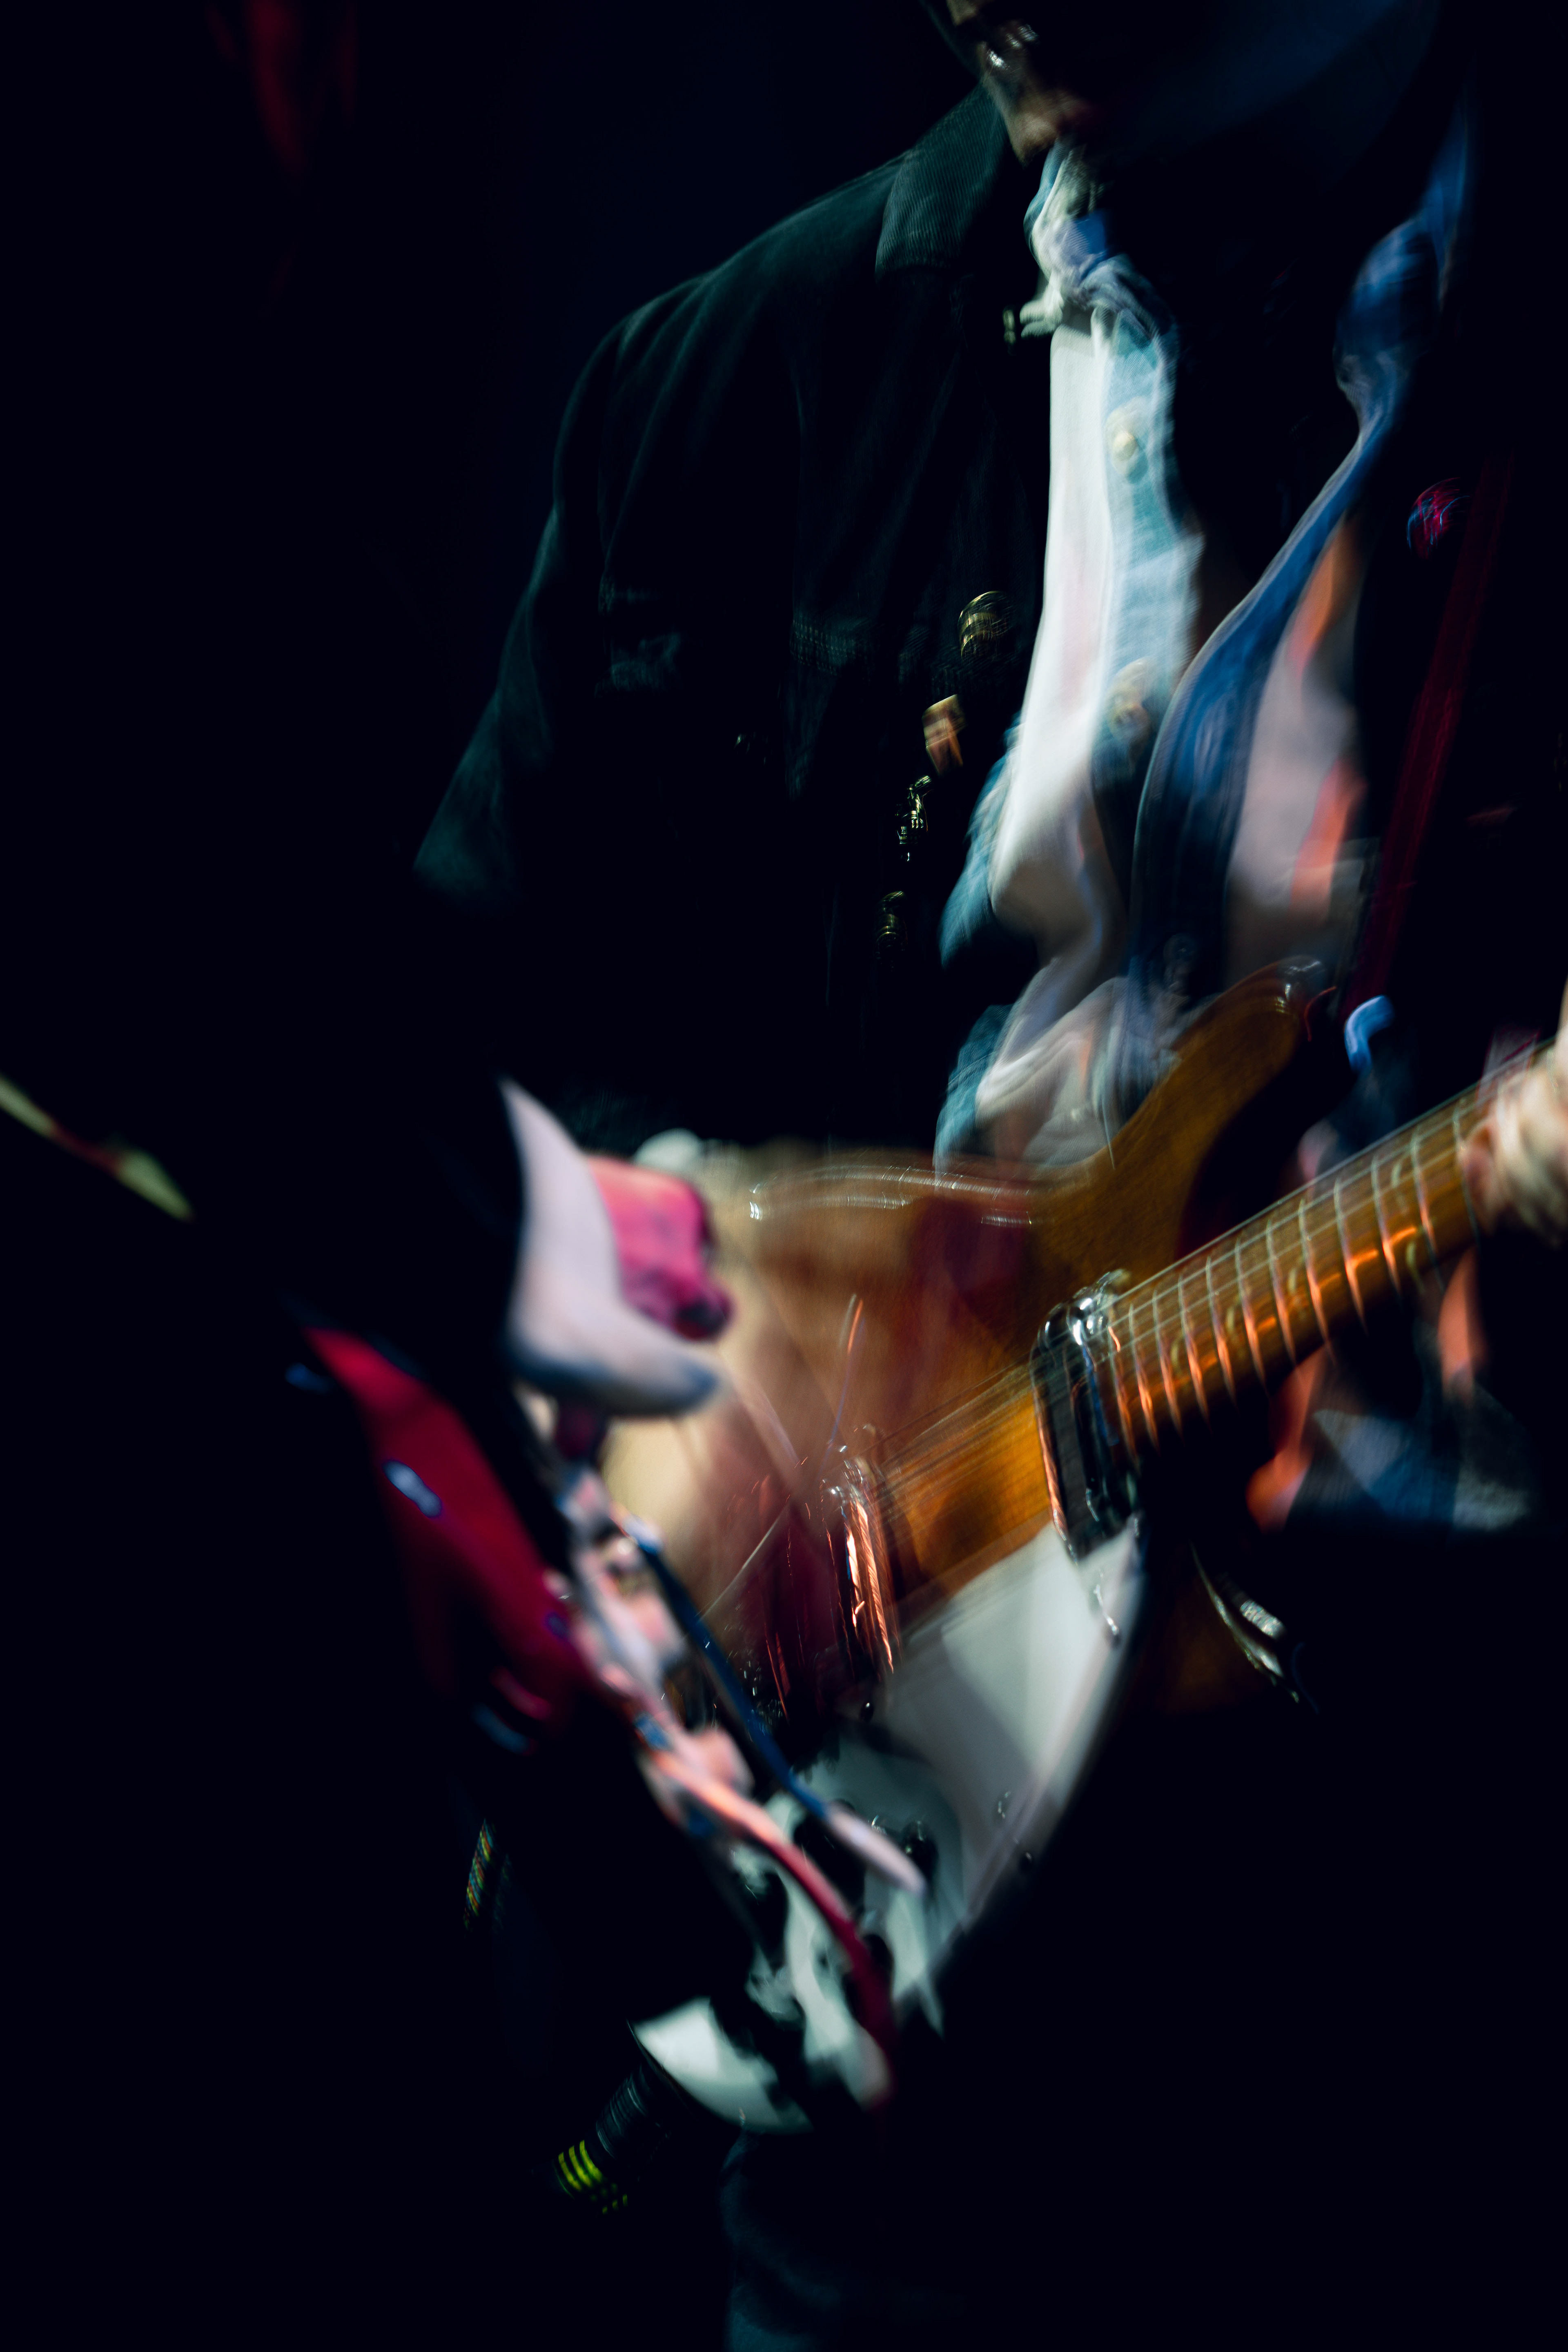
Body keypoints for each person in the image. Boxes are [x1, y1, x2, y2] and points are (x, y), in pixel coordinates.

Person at [419, 0, 1566, 2339]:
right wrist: (662, 1313)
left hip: (1463, 1978)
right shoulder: (729, 389)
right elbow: (447, 1076)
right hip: (903, 2007)